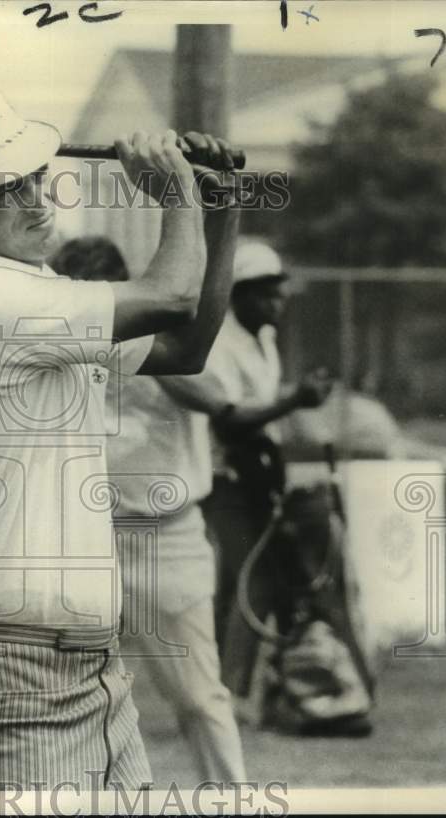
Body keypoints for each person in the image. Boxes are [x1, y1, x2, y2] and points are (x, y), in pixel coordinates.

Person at [0, 84, 240, 789]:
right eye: (1, 189)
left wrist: (222, 207)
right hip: (11, 669)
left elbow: (185, 348)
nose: (34, 201)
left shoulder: (39, 291)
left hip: (89, 665)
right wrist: (176, 192)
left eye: (32, 177)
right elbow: (173, 296)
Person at [51, 237, 245, 784]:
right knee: (69, 698)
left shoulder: (169, 342)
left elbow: (218, 400)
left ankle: (229, 797)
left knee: (199, 696)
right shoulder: (59, 343)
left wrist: (131, 339)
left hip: (168, 537)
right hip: (86, 539)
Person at [154, 241, 333, 702]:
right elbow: (230, 420)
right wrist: (294, 401)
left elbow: (262, 406)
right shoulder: (219, 343)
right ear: (240, 296)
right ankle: (229, 692)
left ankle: (226, 687)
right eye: (266, 293)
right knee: (256, 580)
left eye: (280, 292)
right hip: (225, 475)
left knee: (239, 582)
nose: (278, 302)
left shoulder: (265, 339)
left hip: (258, 472)